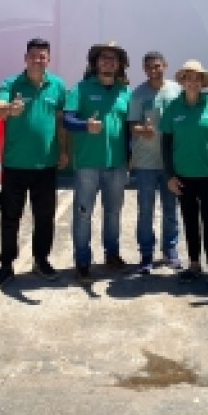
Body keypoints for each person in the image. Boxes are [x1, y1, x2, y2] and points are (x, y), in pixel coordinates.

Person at [0, 38, 69, 287]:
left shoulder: (57, 85)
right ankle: (6, 264)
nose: (38, 60)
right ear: (25, 58)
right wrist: (9, 108)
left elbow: (60, 120)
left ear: (48, 59)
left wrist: (63, 150)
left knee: (44, 217)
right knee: (10, 217)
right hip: (15, 163)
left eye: (42, 56)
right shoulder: (11, 83)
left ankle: (41, 260)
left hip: (46, 164)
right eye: (33, 55)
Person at [63, 41, 131, 283]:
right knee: (83, 214)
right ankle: (82, 262)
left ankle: (112, 255)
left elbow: (129, 128)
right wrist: (85, 125)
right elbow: (67, 120)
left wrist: (130, 156)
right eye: (104, 58)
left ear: (119, 64)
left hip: (117, 164)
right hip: (87, 164)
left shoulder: (125, 92)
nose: (108, 62)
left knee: (113, 213)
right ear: (95, 63)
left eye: (113, 58)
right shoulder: (80, 89)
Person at [160, 59, 208, 295]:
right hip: (183, 177)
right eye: (188, 78)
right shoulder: (173, 107)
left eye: (197, 78)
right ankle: (194, 264)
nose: (192, 82)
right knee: (189, 222)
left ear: (202, 82)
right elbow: (166, 144)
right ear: (182, 81)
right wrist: (170, 176)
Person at [128, 51, 182, 274]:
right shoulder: (138, 93)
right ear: (144, 69)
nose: (153, 70)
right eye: (149, 67)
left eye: (157, 66)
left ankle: (170, 250)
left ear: (165, 65)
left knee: (171, 208)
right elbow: (132, 125)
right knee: (145, 210)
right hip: (146, 163)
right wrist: (143, 129)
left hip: (172, 162)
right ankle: (146, 254)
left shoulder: (177, 90)